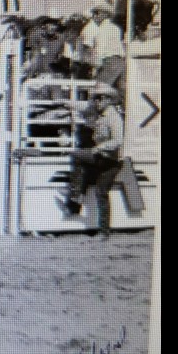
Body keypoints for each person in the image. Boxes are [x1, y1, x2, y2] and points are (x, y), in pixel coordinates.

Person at [65, 83, 124, 238]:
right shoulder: (101, 112)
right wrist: (66, 103)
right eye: (95, 99)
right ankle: (76, 196)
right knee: (79, 159)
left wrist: (99, 148)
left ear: (105, 99)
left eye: (98, 99)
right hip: (101, 158)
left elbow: (118, 140)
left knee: (101, 192)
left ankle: (104, 231)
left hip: (111, 161)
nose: (95, 102)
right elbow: (84, 106)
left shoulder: (114, 117)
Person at [80, 0, 126, 101]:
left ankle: (94, 114)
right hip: (119, 61)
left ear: (105, 14)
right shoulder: (115, 28)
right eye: (94, 13)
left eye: (97, 13)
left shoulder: (102, 30)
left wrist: (94, 63)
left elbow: (99, 51)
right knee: (117, 90)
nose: (94, 16)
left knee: (98, 90)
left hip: (110, 61)